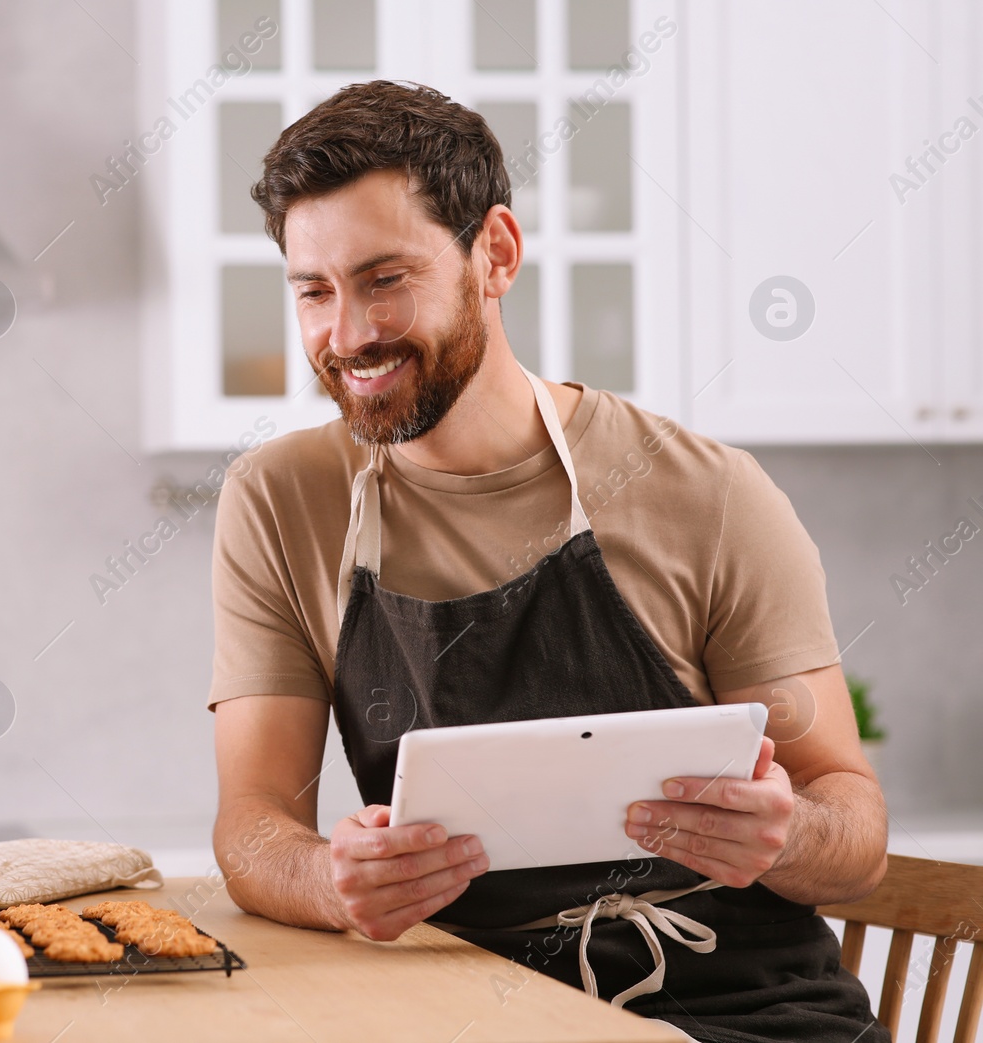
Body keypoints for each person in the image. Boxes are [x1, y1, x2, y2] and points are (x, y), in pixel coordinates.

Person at [209, 80, 890, 1043]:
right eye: (315, 291)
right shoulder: (282, 500)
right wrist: (330, 878)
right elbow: (252, 826)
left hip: (740, 1011)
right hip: (471, 1015)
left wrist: (787, 832)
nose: (349, 335)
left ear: (496, 252)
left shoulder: (708, 492)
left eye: (385, 278)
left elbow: (853, 836)